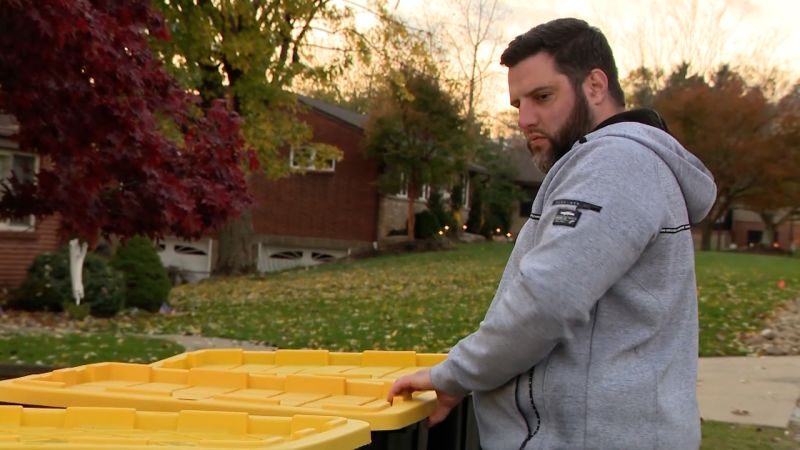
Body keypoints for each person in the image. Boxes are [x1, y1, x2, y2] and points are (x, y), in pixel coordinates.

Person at [388, 17, 716, 449]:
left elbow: (545, 301)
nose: (525, 119)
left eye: (542, 97)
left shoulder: (615, 164)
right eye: (517, 105)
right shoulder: (612, 163)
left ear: (595, 86)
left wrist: (455, 375)